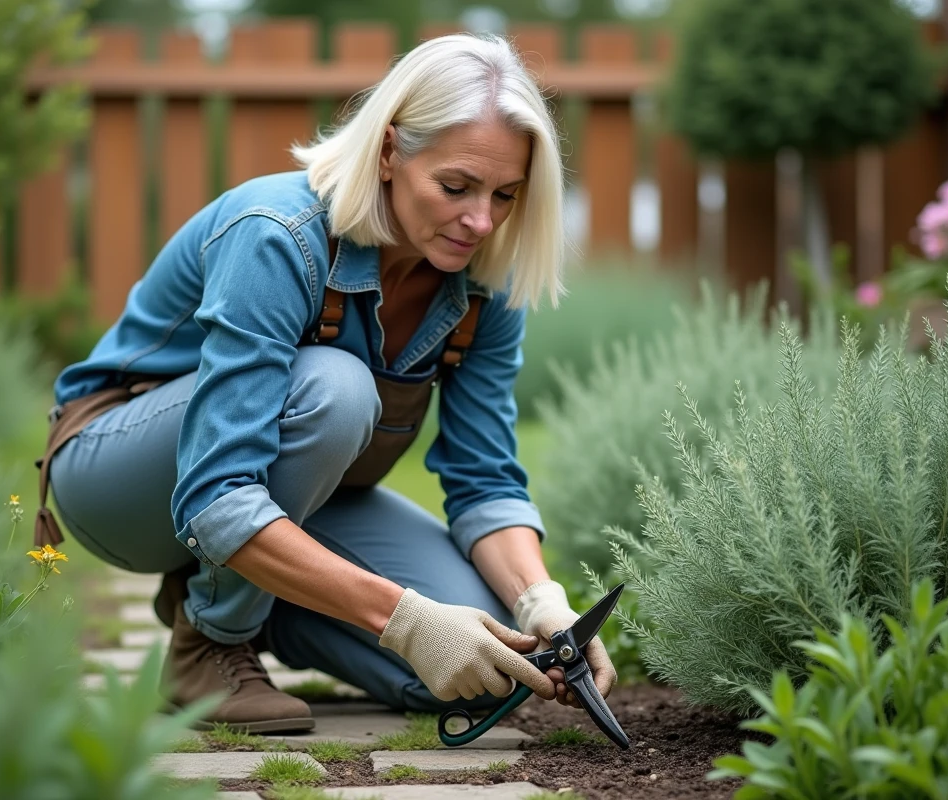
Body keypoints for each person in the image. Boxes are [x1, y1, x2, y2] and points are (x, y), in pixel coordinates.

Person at [34, 32, 616, 734]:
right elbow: (218, 493)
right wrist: (403, 620)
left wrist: (540, 607)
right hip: (119, 476)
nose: (481, 221)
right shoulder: (278, 234)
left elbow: (485, 481)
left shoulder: (484, 286)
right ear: (390, 151)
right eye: (456, 187)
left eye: (505, 195)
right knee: (333, 390)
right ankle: (210, 643)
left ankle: (260, 597)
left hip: (291, 499)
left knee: (489, 664)